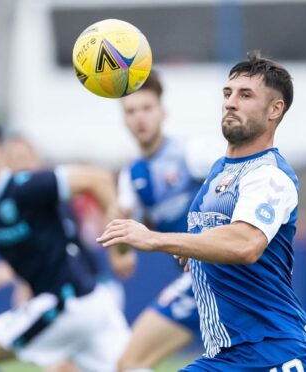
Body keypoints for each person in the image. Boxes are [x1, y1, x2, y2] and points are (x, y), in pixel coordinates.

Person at [98, 52, 306, 371]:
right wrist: (194, 247)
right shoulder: (219, 170)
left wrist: (159, 239)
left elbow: (245, 244)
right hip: (229, 357)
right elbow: (220, 232)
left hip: (276, 353)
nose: (231, 102)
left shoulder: (268, 174)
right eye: (227, 93)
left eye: (245, 95)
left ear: (275, 109)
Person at [0, 123, 130, 372]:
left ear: (1, 153)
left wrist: (120, 249)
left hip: (66, 300)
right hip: (89, 301)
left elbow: (97, 179)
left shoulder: (27, 186)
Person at [115, 71, 207, 371]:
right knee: (135, 362)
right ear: (124, 120)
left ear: (162, 112)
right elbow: (124, 235)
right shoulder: (131, 177)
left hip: (216, 271)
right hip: (197, 280)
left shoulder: (191, 153)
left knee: (130, 362)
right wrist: (121, 251)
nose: (139, 118)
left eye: (146, 108)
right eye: (131, 111)